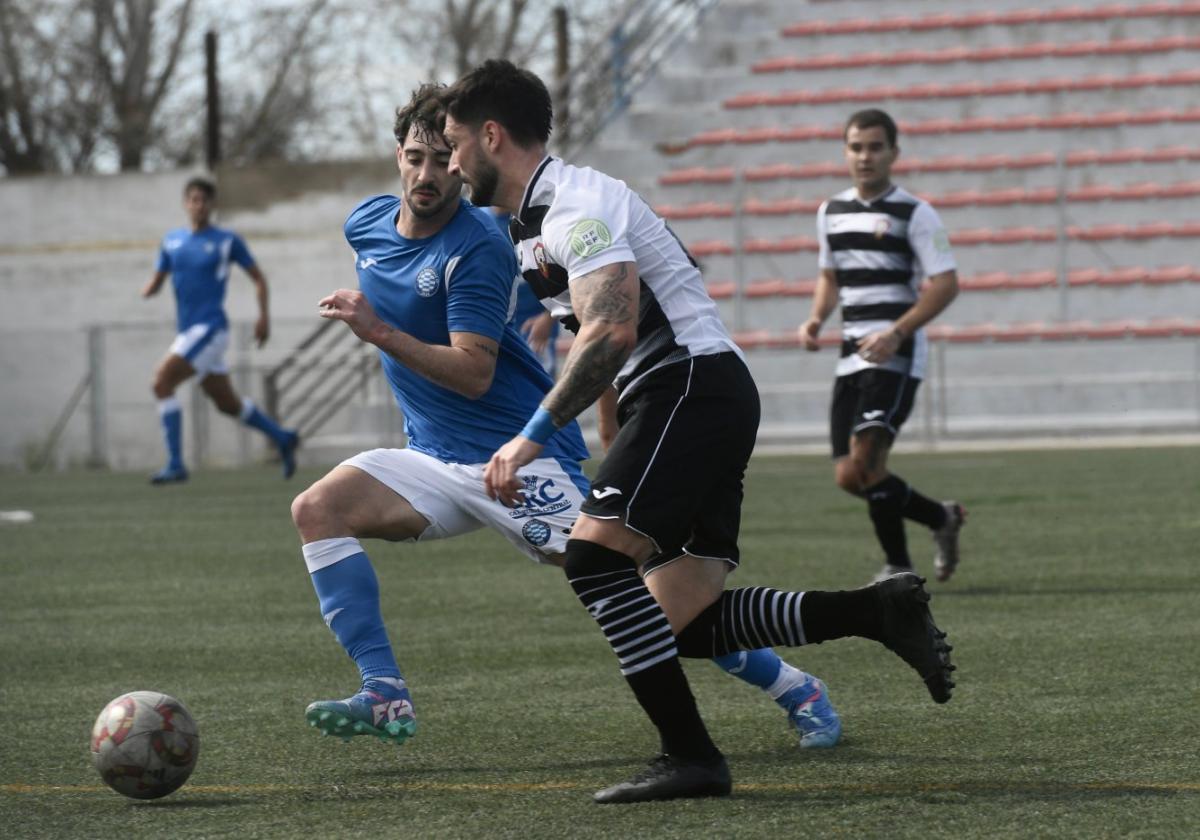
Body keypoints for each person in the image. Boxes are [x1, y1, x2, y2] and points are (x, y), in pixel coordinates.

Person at [441, 60, 955, 804]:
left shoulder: (574, 208)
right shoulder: (530, 223)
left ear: (492, 136)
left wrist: (528, 438)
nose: (453, 162)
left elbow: (611, 333)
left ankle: (693, 757)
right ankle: (876, 610)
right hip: (690, 396)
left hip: (690, 387)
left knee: (591, 563)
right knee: (679, 620)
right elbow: (609, 342)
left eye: (456, 144)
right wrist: (613, 445)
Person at [290, 84, 839, 752]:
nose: (432, 174)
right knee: (317, 509)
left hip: (515, 458)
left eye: (444, 158)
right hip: (430, 458)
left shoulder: (481, 247)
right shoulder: (367, 225)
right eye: (416, 158)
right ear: (397, 156)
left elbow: (475, 372)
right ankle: (383, 691)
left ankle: (794, 687)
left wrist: (378, 331)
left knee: (646, 592)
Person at [800, 109, 966, 584]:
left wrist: (897, 331)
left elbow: (945, 283)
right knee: (850, 475)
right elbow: (830, 276)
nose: (865, 156)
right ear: (845, 151)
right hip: (851, 355)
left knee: (869, 461)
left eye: (875, 147)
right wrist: (816, 318)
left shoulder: (915, 213)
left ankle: (898, 569)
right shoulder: (830, 212)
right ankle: (940, 517)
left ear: (894, 152)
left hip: (896, 355)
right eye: (856, 147)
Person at [142, 177, 298, 484]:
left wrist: (263, 317)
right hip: (188, 332)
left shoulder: (226, 240)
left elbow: (258, 278)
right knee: (227, 403)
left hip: (210, 329)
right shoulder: (172, 240)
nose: (198, 205)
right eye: (193, 199)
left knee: (161, 383)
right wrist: (147, 289)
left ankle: (175, 464)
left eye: (204, 200)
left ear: (212, 205)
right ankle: (283, 437)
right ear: (186, 204)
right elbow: (159, 277)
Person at [489, 207, 561, 376]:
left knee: (542, 389)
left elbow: (565, 272)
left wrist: (549, 317)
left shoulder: (537, 219)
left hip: (534, 325)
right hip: (497, 326)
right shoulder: (477, 219)